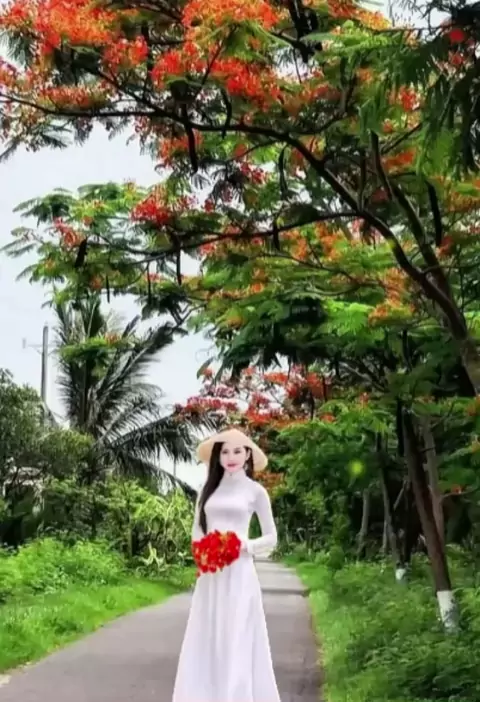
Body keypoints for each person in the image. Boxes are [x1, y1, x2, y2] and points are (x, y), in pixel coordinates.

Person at [172, 427, 281, 702]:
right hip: (211, 575)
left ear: (248, 455)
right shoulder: (207, 490)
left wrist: (244, 546)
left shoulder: (256, 491)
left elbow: (271, 537)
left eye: (237, 451)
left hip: (240, 573)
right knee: (208, 636)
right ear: (217, 457)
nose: (231, 457)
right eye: (225, 452)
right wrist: (203, 553)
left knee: (237, 637)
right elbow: (197, 530)